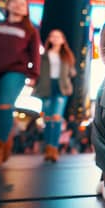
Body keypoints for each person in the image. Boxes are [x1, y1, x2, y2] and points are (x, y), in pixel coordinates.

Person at [0, 0, 41, 166]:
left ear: (27, 11)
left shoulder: (30, 30)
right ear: (7, 5)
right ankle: (5, 140)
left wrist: (33, 74)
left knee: (5, 105)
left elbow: (35, 54)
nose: (19, 6)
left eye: (23, 4)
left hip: (15, 72)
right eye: (15, 2)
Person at [34, 29, 76, 162]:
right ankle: (48, 148)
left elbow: (73, 72)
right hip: (46, 87)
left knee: (57, 118)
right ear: (50, 39)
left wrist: (67, 75)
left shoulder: (67, 56)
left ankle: (53, 149)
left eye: (59, 36)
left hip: (61, 88)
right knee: (47, 119)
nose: (56, 38)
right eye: (53, 36)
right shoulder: (44, 55)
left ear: (63, 40)